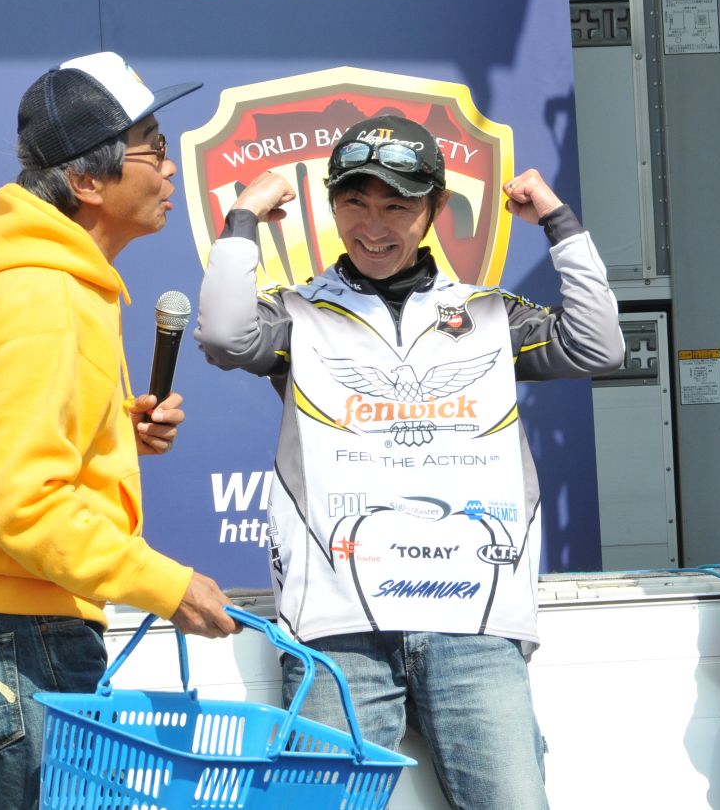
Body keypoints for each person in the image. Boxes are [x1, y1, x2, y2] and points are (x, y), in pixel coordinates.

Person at [196, 113, 624, 809]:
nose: (374, 226)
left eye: (397, 205)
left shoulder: (487, 312)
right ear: (332, 205)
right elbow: (222, 334)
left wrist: (559, 222)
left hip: (475, 625)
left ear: (434, 209)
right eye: (354, 202)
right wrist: (243, 216)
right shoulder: (298, 312)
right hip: (337, 631)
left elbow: (598, 345)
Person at [0, 53, 238, 810]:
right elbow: (23, 502)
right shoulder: (44, 298)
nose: (170, 168)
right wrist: (165, 585)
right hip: (19, 639)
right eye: (152, 147)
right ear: (87, 181)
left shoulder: (20, 284)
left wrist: (112, 432)